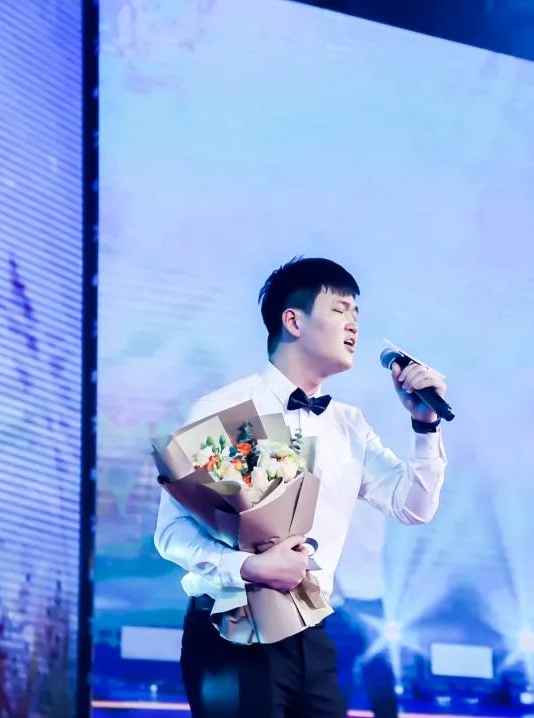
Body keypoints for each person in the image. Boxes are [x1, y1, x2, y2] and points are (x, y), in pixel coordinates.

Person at [154, 257, 449, 718]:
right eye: (340, 309)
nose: (353, 324)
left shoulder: (349, 425)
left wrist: (425, 425)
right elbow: (170, 535)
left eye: (356, 314)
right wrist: (249, 566)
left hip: (313, 630)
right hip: (232, 625)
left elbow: (414, 507)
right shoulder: (226, 408)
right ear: (293, 320)